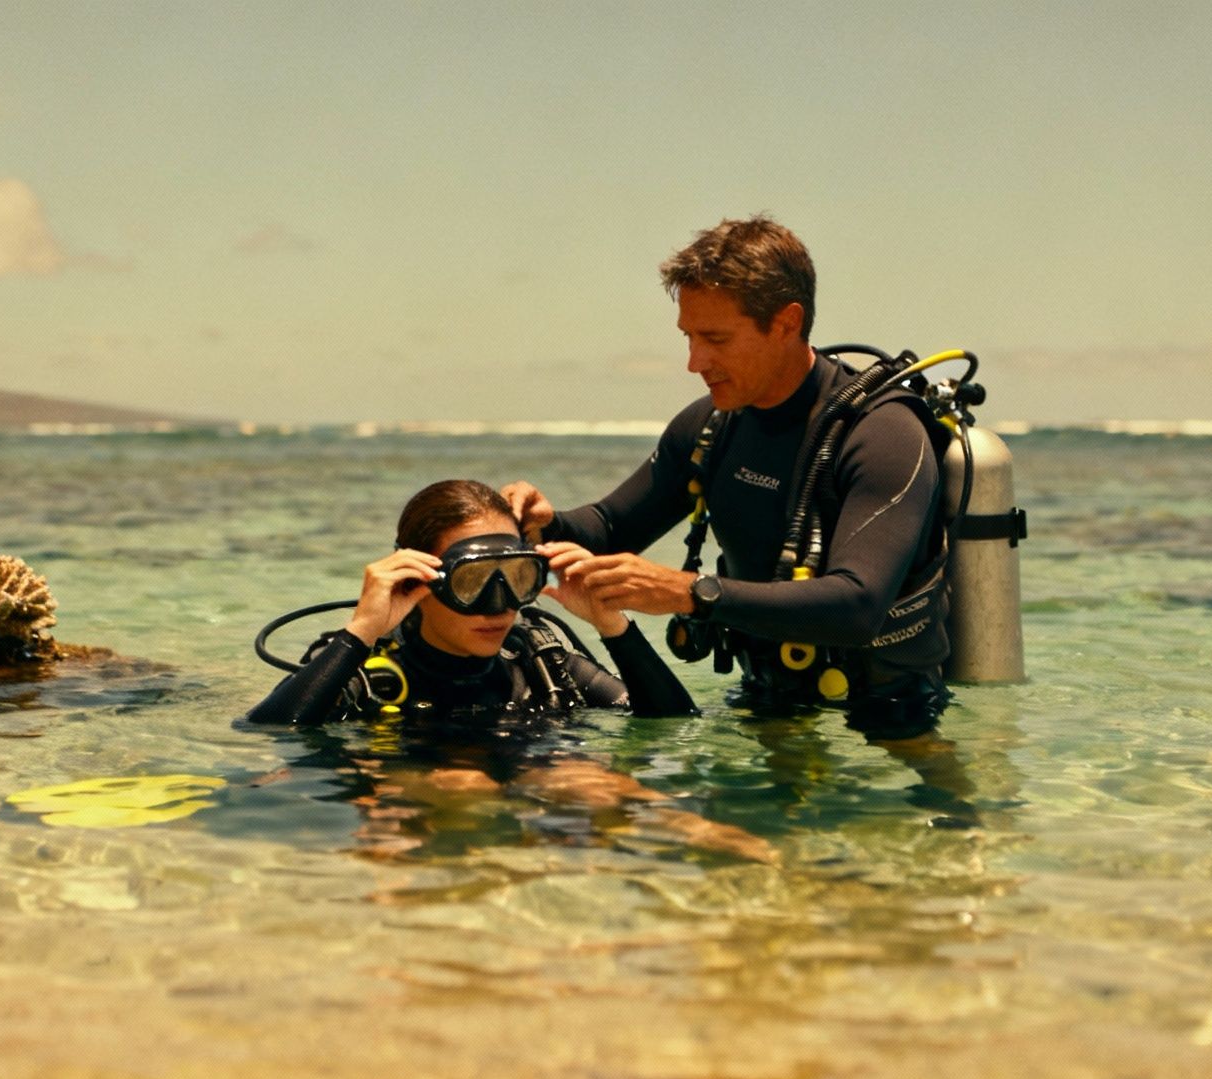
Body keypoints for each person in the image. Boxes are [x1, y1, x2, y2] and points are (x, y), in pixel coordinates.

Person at [502, 216, 953, 740]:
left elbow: (858, 606)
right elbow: (609, 526)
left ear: (786, 322)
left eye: (715, 338)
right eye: (689, 337)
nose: (695, 361)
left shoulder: (883, 433)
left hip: (894, 715)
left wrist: (689, 592)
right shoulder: (710, 428)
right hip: (769, 703)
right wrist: (544, 522)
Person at [246, 479, 697, 725]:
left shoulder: (537, 661)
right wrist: (361, 630)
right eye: (473, 580)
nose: (499, 606)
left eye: (518, 578)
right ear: (419, 578)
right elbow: (273, 732)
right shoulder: (364, 669)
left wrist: (613, 626)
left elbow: (676, 724)